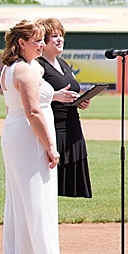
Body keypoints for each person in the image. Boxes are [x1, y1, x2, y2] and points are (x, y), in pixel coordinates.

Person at [0, 19, 62, 254]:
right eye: (37, 40)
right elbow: (33, 111)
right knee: (35, 198)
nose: (42, 44)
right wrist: (50, 146)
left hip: (17, 132)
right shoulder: (23, 70)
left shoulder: (20, 67)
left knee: (24, 199)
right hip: (28, 136)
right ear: (21, 42)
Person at [37, 17, 93, 199]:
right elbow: (31, 96)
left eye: (61, 35)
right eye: (54, 36)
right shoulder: (37, 65)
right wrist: (55, 96)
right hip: (54, 127)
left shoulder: (63, 63)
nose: (60, 39)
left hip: (72, 126)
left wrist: (81, 101)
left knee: (66, 185)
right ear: (43, 41)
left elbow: (70, 90)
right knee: (47, 185)